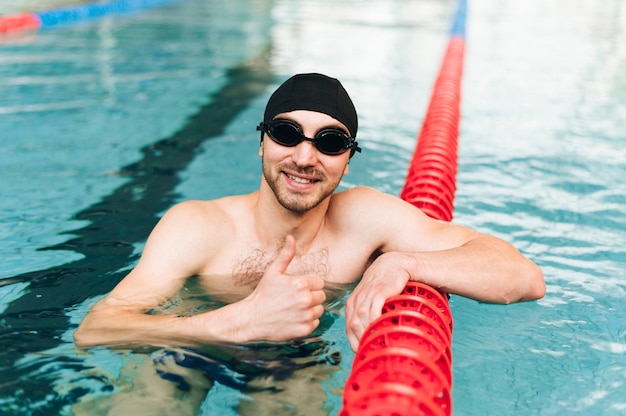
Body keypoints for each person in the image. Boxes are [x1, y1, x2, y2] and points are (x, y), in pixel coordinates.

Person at [74, 73, 545, 353]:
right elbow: (96, 329)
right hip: (186, 350)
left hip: (296, 361)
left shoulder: (364, 220)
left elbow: (523, 278)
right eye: (286, 133)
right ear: (261, 141)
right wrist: (238, 322)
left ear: (348, 158)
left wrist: (401, 262)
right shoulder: (200, 226)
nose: (304, 156)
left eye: (330, 142)